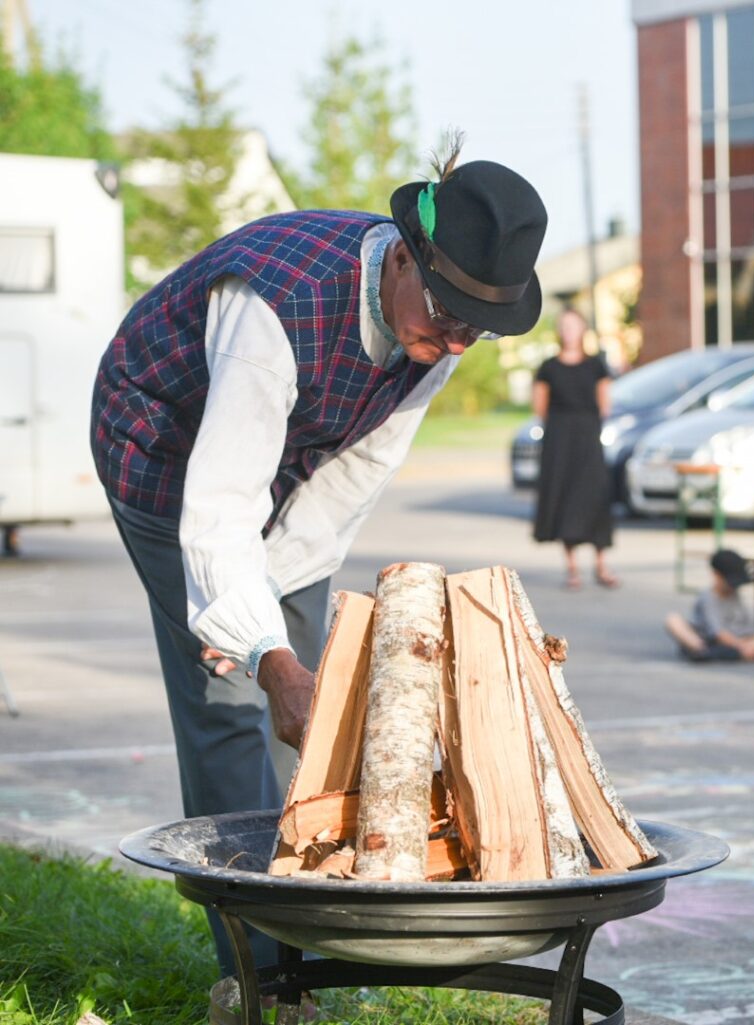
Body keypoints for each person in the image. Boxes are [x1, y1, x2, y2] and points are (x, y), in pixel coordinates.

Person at [90, 146, 547, 972]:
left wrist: (292, 654)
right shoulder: (276, 307)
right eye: (444, 314)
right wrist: (261, 655)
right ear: (404, 255)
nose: (452, 341)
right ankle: (258, 973)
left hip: (291, 462)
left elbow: (355, 474)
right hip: (160, 443)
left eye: (474, 329)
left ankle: (310, 931)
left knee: (314, 692)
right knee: (229, 697)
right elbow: (222, 503)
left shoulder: (439, 332)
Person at [533, 308, 618, 590]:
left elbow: (605, 404)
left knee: (593, 495)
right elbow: (540, 407)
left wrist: (587, 426)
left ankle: (601, 564)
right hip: (559, 438)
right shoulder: (548, 367)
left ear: (583, 329)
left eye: (574, 325)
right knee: (565, 495)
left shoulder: (596, 365)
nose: (569, 331)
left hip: (587, 437)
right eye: (564, 325)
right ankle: (572, 568)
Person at [664, 549, 754, 664]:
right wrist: (740, 645)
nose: (733, 587)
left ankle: (734, 654)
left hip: (738, 640)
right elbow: (717, 633)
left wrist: (752, 642)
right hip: (708, 640)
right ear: (716, 575)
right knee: (673, 620)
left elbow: (749, 627)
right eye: (730, 582)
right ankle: (700, 650)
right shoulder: (708, 597)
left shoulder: (735, 595)